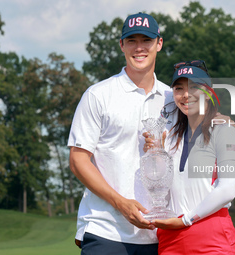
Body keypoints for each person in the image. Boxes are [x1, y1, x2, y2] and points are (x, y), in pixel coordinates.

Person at [68, 12, 174, 255]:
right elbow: (78, 159)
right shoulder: (98, 95)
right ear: (121, 45)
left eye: (146, 40)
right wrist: (121, 203)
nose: (139, 48)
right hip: (107, 230)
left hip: (159, 234)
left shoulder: (173, 99)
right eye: (131, 41)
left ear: (159, 43)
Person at [145, 60, 235, 254]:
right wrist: (156, 154)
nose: (186, 95)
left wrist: (185, 220)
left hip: (211, 237)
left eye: (194, 87)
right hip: (170, 237)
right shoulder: (171, 136)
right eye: (179, 88)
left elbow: (228, 190)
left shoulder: (224, 129)